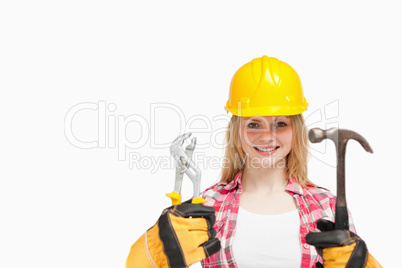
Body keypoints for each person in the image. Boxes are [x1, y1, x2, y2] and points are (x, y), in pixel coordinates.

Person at [126, 56, 382, 268]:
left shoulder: (327, 207)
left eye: (280, 123)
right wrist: (153, 253)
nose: (267, 135)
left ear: (296, 131)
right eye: (253, 124)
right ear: (237, 131)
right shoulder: (206, 208)